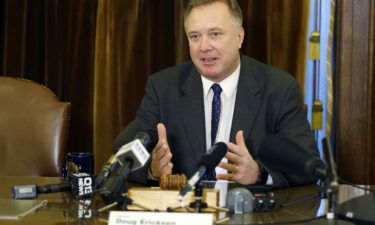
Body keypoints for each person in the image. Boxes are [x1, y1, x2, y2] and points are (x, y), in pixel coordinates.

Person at [114, 0, 319, 188]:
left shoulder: (278, 88)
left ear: (239, 37)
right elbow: (122, 153)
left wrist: (259, 174)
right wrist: (152, 169)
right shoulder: (163, 87)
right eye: (195, 36)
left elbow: (307, 167)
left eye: (215, 34)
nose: (204, 47)